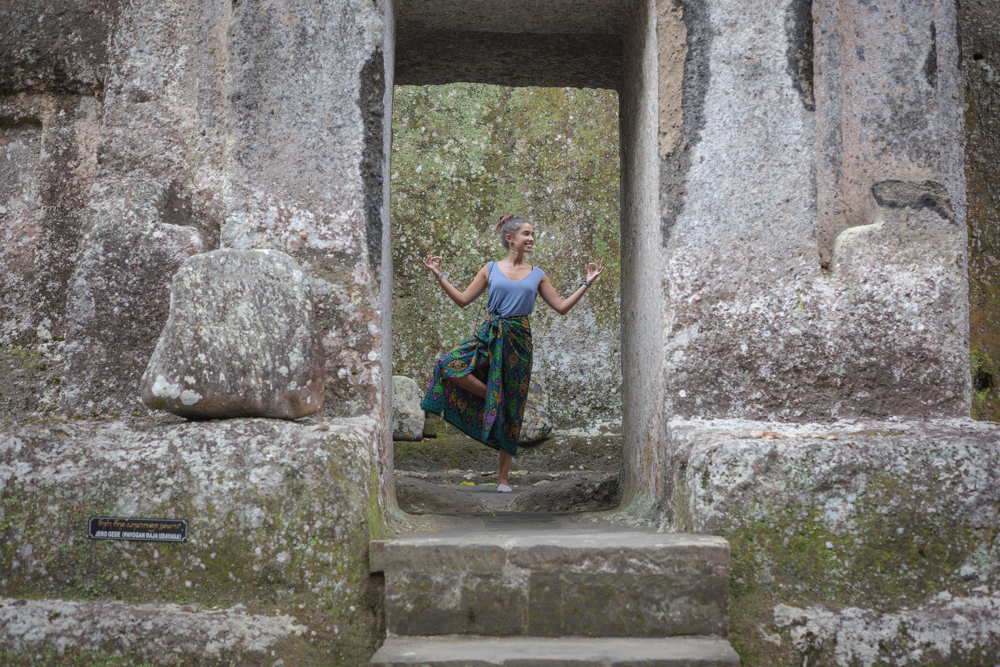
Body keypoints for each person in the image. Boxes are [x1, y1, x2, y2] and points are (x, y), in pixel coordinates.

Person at [420, 213, 604, 493]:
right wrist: (439, 275)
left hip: (519, 340)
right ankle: (492, 395)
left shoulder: (538, 274)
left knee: (513, 407)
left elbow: (561, 307)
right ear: (510, 238)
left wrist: (587, 282)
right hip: (490, 335)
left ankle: (503, 478)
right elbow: (462, 300)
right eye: (526, 234)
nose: (531, 238)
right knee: (447, 364)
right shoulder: (490, 268)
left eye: (532, 234)